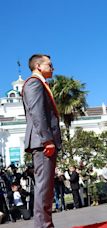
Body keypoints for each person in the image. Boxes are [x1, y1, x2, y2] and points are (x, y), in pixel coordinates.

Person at [22, 54, 61, 227]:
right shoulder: (34, 83)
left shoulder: (40, 84)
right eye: (49, 65)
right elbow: (37, 113)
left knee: (45, 187)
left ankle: (45, 224)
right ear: (38, 66)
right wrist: (47, 140)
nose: (53, 68)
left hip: (42, 141)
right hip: (42, 143)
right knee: (44, 187)